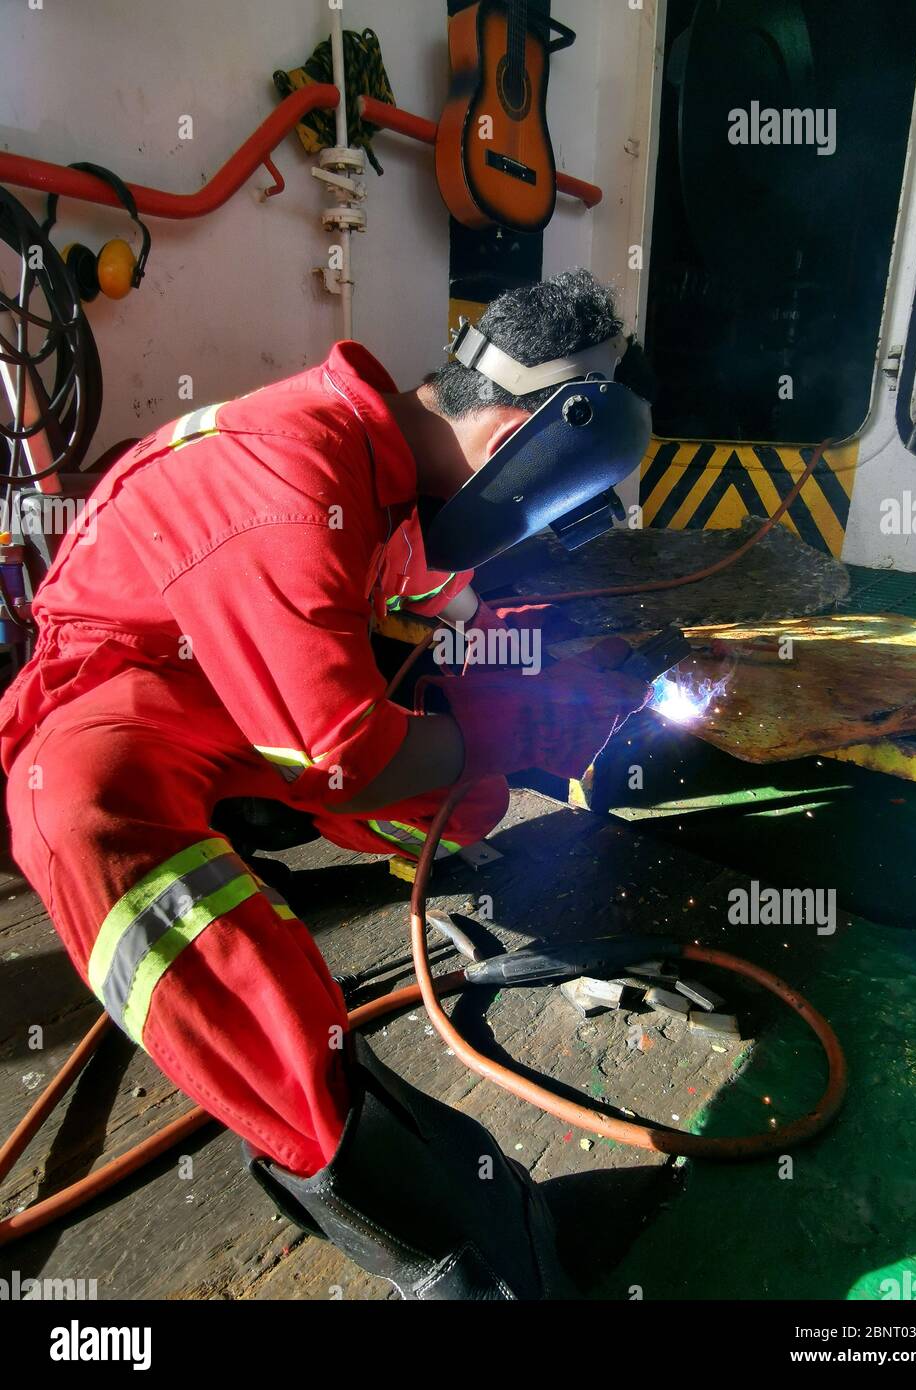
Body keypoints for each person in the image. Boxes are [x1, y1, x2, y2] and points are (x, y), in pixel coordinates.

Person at [0, 268, 653, 1299]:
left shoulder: (386, 470)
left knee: (459, 792)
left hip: (237, 678)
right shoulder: (295, 479)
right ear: (522, 436)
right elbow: (348, 752)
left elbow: (430, 620)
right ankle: (416, 1213)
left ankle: (388, 881)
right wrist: (504, 732)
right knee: (79, 806)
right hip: (122, 687)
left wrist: (541, 676)